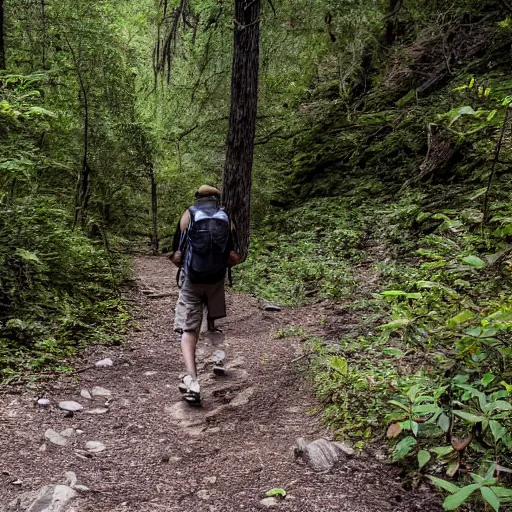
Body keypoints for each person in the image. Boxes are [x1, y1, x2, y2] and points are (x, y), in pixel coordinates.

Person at [170, 185, 240, 404]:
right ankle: (218, 358)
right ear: (216, 200)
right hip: (216, 281)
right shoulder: (226, 218)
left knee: (189, 330)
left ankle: (193, 380)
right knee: (212, 319)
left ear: (198, 198)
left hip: (193, 281)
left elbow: (176, 256)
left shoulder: (189, 214)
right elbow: (233, 257)